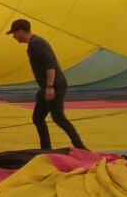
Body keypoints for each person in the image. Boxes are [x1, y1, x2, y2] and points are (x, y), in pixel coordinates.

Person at [7, 18, 86, 151]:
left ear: (20, 31)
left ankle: (80, 146)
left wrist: (49, 87)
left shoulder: (36, 44)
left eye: (14, 33)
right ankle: (46, 149)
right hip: (47, 87)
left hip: (55, 86)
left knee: (58, 117)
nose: (14, 37)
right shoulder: (34, 43)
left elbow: (50, 65)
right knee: (38, 117)